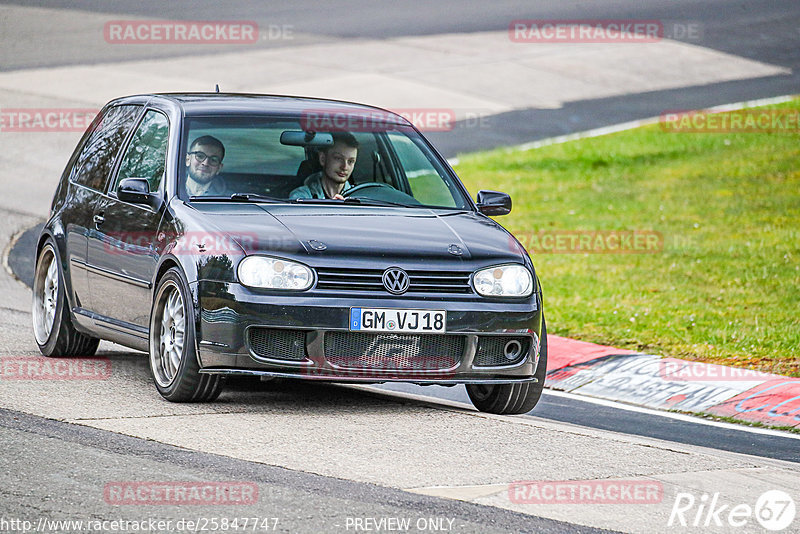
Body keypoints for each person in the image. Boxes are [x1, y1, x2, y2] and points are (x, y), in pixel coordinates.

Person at [290, 132, 359, 200]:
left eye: (350, 161)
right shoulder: (301, 197)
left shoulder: (359, 197)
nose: (345, 167)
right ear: (322, 159)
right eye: (338, 158)